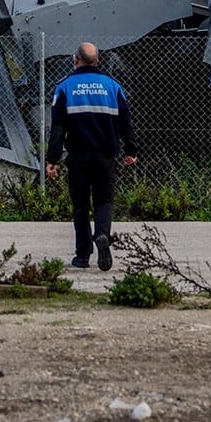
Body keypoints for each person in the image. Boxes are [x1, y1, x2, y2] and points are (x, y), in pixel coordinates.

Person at [45, 42, 137, 270]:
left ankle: (82, 255)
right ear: (97, 62)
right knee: (104, 201)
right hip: (105, 157)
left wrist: (52, 160)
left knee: (80, 206)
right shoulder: (113, 87)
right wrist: (131, 150)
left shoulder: (64, 87)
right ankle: (102, 234)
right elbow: (126, 123)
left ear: (75, 60)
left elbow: (57, 128)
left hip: (77, 157)